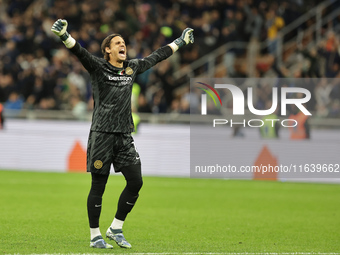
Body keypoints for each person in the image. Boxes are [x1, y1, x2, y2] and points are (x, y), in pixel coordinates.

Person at [51, 19, 194, 249]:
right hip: (102, 135)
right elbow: (80, 52)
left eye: (123, 42)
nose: (122, 45)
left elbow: (157, 56)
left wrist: (180, 41)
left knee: (136, 181)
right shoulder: (98, 67)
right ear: (107, 49)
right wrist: (65, 36)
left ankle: (116, 228)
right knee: (99, 186)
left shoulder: (132, 68)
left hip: (124, 136)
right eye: (117, 42)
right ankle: (95, 235)